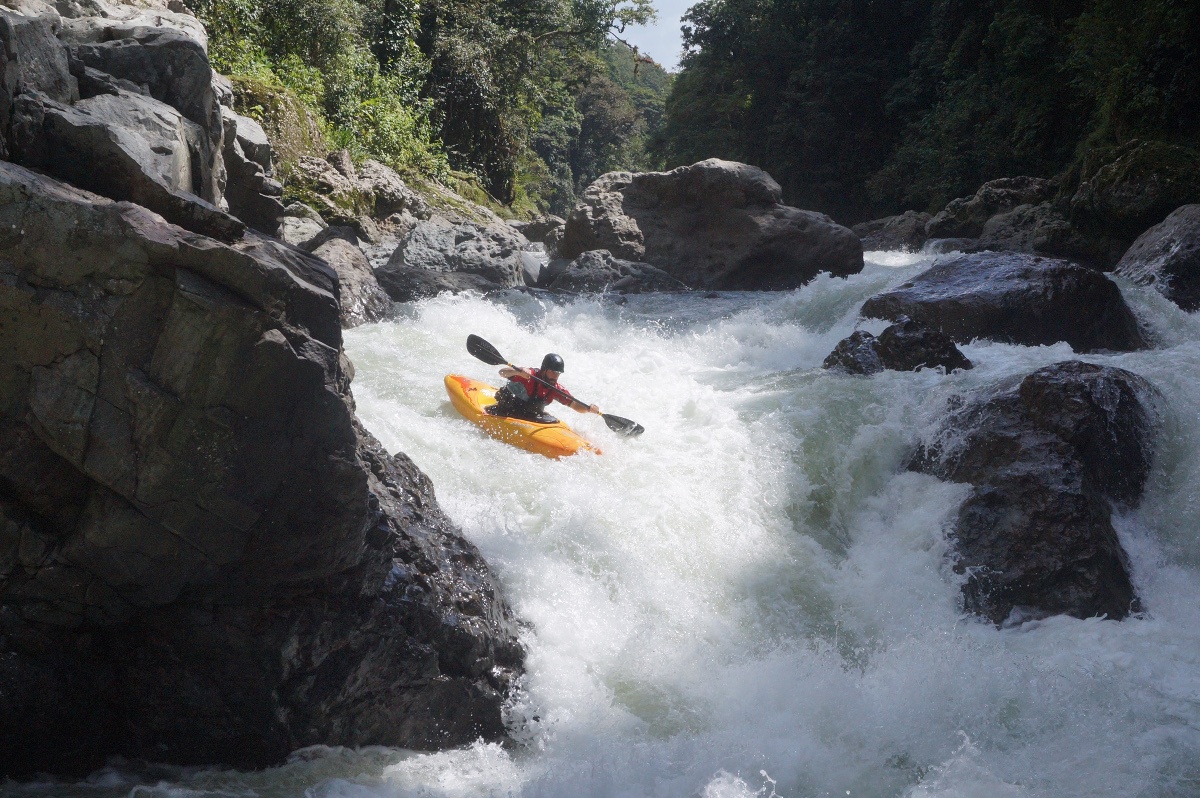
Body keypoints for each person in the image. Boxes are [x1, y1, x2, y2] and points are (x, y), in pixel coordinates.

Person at [487, 353, 601, 423]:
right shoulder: (529, 375)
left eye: (558, 373)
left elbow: (574, 404)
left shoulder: (556, 389)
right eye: (553, 372)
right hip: (505, 410)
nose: (555, 376)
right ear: (544, 370)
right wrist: (518, 371)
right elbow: (502, 372)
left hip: (529, 415)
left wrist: (588, 409)